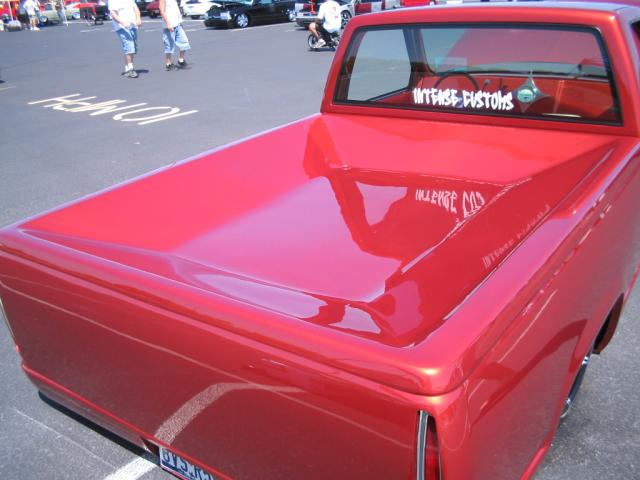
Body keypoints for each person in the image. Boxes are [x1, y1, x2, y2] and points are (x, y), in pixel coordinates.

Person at [108, 0, 141, 78]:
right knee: (130, 45)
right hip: (121, 27)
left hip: (132, 25)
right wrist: (123, 22)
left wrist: (138, 19)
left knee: (132, 47)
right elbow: (113, 13)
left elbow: (136, 9)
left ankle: (127, 68)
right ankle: (130, 69)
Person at [160, 0, 190, 71]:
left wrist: (180, 22)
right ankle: (168, 63)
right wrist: (168, 24)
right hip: (169, 26)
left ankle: (181, 60)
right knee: (169, 45)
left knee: (184, 41)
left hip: (177, 24)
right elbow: (162, 11)